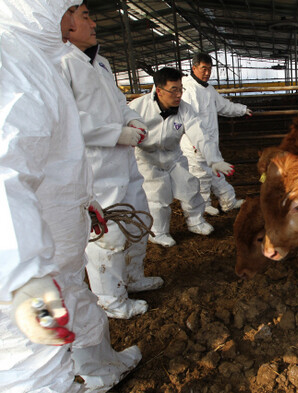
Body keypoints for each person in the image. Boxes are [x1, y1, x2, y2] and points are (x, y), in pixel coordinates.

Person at [0, 1, 140, 391]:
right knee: (33, 362)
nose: (83, 18)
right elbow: (4, 166)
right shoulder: (11, 60)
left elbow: (53, 151)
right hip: (25, 258)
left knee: (74, 300)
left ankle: (101, 369)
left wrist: (85, 200)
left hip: (54, 228)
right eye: (72, 8)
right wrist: (20, 274)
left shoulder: (38, 56)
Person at [61, 1, 162, 319]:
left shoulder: (100, 62)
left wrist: (134, 121)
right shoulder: (61, 64)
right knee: (108, 235)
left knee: (139, 219)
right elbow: (66, 121)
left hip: (124, 163)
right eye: (86, 16)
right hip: (95, 169)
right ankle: (111, 300)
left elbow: (120, 102)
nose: (94, 23)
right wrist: (114, 134)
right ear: (67, 21)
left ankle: (133, 276)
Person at [129, 67, 232, 247]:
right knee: (157, 197)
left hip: (173, 156)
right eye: (173, 90)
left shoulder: (184, 109)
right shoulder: (138, 107)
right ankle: (158, 232)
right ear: (159, 90)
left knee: (190, 187)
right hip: (147, 159)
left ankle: (196, 222)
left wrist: (214, 159)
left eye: (180, 89)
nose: (178, 95)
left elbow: (199, 134)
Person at [180, 52, 252, 216]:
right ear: (194, 68)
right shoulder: (188, 89)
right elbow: (188, 121)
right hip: (195, 144)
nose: (207, 73)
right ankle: (203, 206)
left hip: (211, 141)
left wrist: (241, 109)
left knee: (217, 173)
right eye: (203, 69)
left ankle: (228, 202)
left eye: (209, 69)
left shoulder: (208, 89)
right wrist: (195, 144)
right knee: (200, 176)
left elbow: (223, 106)